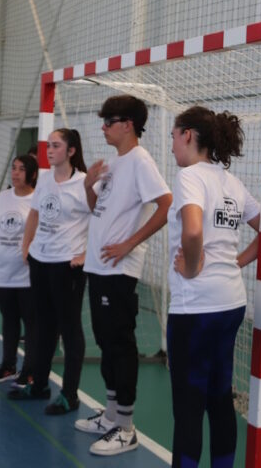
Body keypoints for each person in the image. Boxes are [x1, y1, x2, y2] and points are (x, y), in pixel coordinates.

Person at [76, 95, 172, 456]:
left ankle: (127, 428)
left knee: (119, 342)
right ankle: (112, 415)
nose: (102, 126)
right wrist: (88, 186)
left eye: (108, 120)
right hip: (98, 265)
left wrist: (129, 243)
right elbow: (95, 208)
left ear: (127, 124)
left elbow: (166, 204)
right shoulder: (115, 164)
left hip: (119, 270)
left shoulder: (140, 161)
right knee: (105, 340)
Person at [167, 105, 260, 468]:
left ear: (188, 135)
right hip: (231, 303)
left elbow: (192, 230)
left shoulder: (190, 177)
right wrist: (236, 261)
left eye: (174, 136)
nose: (173, 144)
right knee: (220, 398)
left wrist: (191, 267)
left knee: (189, 407)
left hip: (197, 307)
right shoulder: (231, 182)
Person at [8, 128, 90, 415]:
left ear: (71, 151)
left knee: (69, 329)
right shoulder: (44, 180)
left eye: (56, 146)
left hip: (67, 265)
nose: (49, 150)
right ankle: (39, 383)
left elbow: (102, 220)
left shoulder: (84, 183)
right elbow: (35, 214)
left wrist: (86, 253)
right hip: (40, 261)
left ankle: (70, 394)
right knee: (42, 325)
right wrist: (27, 245)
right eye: (48, 145)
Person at [0, 154, 38, 384]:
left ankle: (30, 370)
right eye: (13, 168)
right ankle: (8, 366)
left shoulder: (37, 200)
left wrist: (30, 251)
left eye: (21, 169)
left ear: (33, 174)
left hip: (27, 273)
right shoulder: (1, 198)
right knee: (9, 320)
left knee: (31, 322)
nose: (15, 173)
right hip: (2, 270)